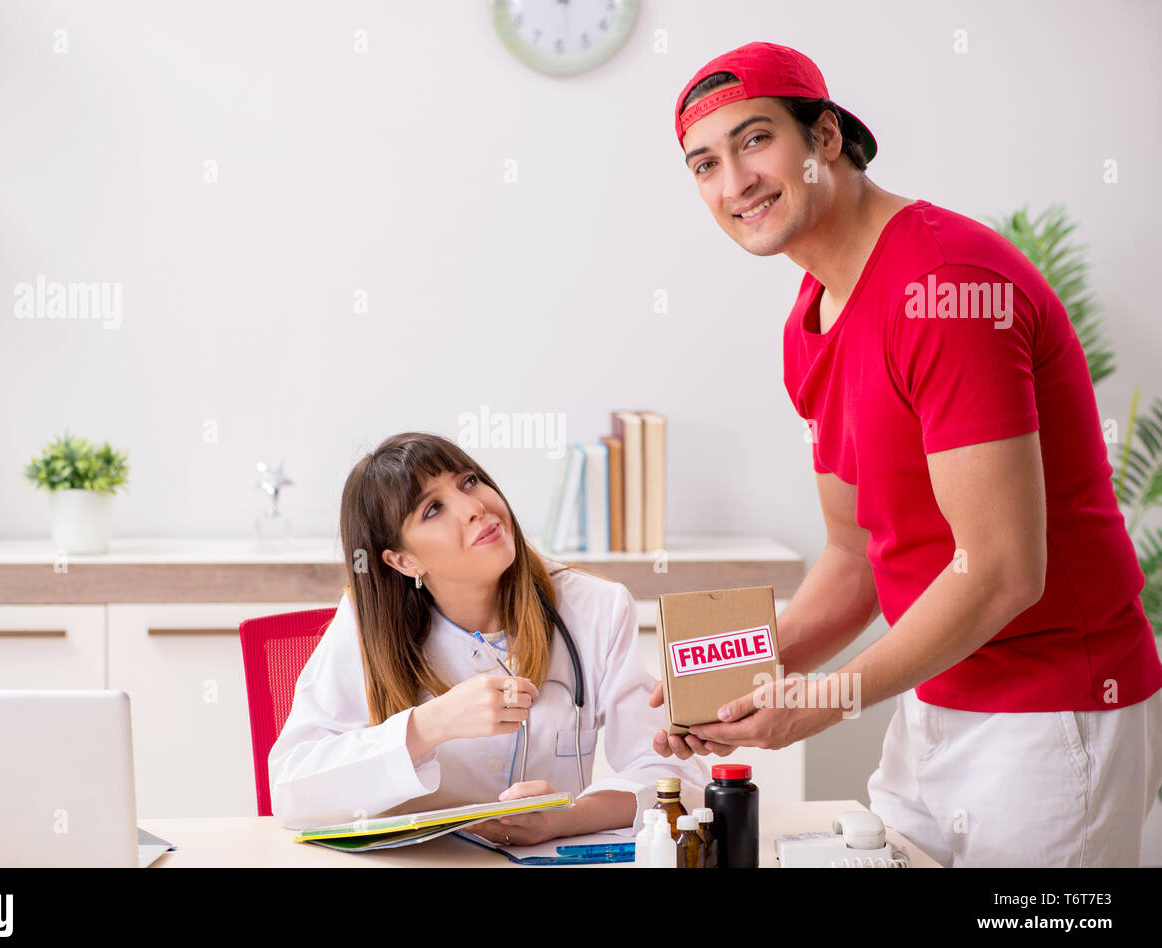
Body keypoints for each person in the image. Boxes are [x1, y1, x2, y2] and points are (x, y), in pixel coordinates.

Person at [650, 41, 1162, 866]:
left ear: (823, 138)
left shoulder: (945, 286)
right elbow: (855, 557)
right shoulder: (810, 320)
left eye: (754, 140)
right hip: (934, 708)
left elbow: (1001, 568)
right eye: (703, 163)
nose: (733, 182)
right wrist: (718, 683)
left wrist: (820, 702)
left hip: (1049, 715)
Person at [270, 431, 707, 844]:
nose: (474, 506)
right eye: (433, 509)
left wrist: (565, 818)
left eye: (470, 482)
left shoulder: (595, 607)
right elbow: (291, 791)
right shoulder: (366, 625)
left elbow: (675, 779)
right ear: (402, 560)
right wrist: (430, 725)